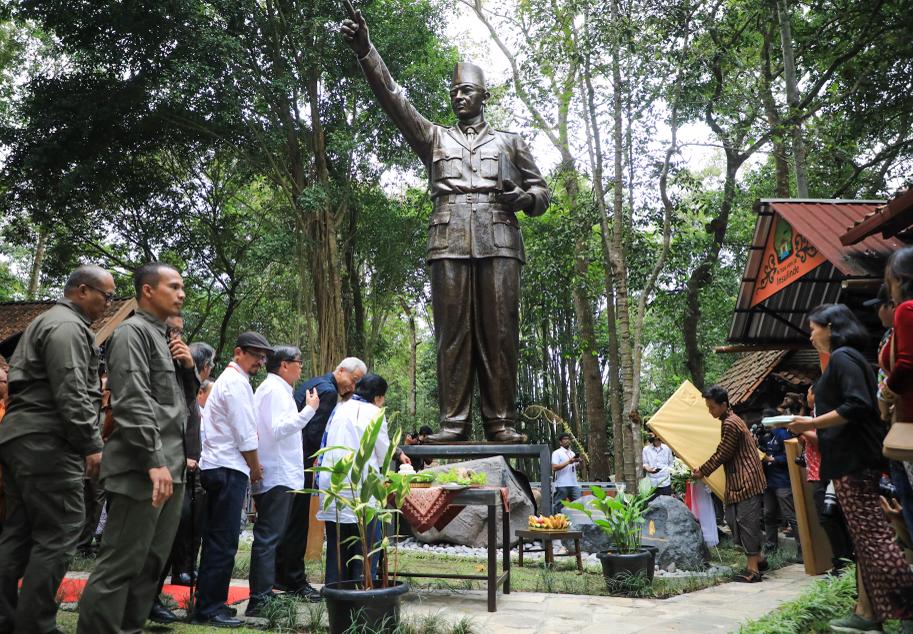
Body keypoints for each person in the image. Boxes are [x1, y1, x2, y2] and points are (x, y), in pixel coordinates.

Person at [341, 4, 550, 443]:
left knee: (499, 335)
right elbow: (395, 101)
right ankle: (453, 423)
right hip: (449, 237)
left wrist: (524, 197)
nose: (459, 96)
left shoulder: (510, 142)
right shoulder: (434, 136)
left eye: (467, 90)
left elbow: (542, 194)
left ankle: (500, 422)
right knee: (452, 335)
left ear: (484, 96)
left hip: (499, 238)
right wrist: (367, 52)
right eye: (454, 91)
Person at [77, 263, 199, 634]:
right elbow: (131, 401)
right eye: (173, 287)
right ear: (148, 291)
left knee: (152, 562)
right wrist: (153, 460)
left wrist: (188, 368)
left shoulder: (165, 339)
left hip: (171, 468)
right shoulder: (132, 334)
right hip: (143, 469)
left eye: (182, 287)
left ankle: (127, 627)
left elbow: (179, 406)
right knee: (123, 562)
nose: (181, 294)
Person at [0, 265, 113, 634]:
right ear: (82, 290)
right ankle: (35, 625)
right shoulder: (66, 327)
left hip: (26, 437)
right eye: (105, 295)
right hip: (48, 439)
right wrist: (91, 445)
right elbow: (72, 390)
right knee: (60, 532)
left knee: (19, 531)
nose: (108, 303)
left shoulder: (49, 322)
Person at [788, 303, 913, 632]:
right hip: (848, 460)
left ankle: (906, 605)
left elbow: (857, 404)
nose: (811, 334)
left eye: (813, 327)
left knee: (873, 537)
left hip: (856, 461)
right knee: (863, 539)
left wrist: (812, 421)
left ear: (830, 326)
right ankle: (867, 612)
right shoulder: (848, 358)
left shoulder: (843, 357)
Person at [193, 331, 273, 627]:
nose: (260, 362)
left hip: (220, 465)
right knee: (222, 541)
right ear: (239, 352)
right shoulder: (236, 383)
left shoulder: (233, 381)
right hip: (227, 468)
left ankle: (210, 602)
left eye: (263, 357)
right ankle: (208, 608)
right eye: (256, 356)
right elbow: (245, 435)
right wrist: (255, 468)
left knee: (218, 538)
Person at [275, 357, 367, 599]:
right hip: (301, 465)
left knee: (288, 523)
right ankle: (294, 581)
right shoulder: (327, 392)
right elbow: (315, 435)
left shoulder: (316, 383)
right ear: (340, 370)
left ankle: (282, 576)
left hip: (290, 462)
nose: (353, 387)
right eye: (353, 380)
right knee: (297, 525)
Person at [246, 347, 320, 616]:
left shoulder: (278, 389)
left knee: (271, 537)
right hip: (276, 475)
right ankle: (260, 599)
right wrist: (309, 411)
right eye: (299, 363)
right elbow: (278, 429)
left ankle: (264, 593)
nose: (301, 368)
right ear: (285, 365)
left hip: (280, 474)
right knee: (268, 538)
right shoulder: (274, 390)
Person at [149, 336, 215, 624]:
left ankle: (154, 595)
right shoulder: (177, 392)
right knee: (164, 537)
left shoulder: (190, 390)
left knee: (181, 529)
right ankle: (148, 597)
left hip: (186, 470)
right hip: (172, 467)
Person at [317, 373, 390, 585]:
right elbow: (383, 453)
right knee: (366, 546)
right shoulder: (375, 413)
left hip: (332, 486)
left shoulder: (339, 408)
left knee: (337, 545)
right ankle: (361, 591)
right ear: (377, 397)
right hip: (361, 488)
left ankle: (335, 592)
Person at [693, 385, 767, 583]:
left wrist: (703, 470)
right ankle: (758, 559)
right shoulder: (729, 420)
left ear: (724, 404)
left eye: (712, 408)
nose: (710, 412)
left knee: (746, 522)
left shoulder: (731, 423)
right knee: (733, 519)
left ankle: (753, 570)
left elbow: (723, 452)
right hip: (738, 480)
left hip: (747, 480)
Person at [796, 386, 854, 573]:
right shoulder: (814, 413)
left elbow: (823, 441)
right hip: (816, 473)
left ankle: (843, 563)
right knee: (828, 519)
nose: (806, 396)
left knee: (830, 518)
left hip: (825, 473)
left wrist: (802, 430)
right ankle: (842, 560)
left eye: (809, 392)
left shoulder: (825, 413)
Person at [877, 257, 913, 542]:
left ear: (901, 279)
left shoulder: (907, 310)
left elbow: (906, 364)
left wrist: (884, 393)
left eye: (890, 281)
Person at [760, 406, 799, 558]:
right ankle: (771, 546)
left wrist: (773, 459)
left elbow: (791, 455)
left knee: (790, 515)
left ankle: (802, 549)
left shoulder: (784, 434)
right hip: (769, 481)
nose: (763, 423)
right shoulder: (766, 437)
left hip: (782, 481)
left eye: (766, 420)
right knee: (768, 514)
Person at [552, 433, 582, 510]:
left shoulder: (572, 453)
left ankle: (576, 521)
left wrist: (579, 463)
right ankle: (555, 521)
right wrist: (569, 462)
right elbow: (554, 467)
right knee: (558, 506)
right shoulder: (556, 453)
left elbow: (573, 467)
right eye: (565, 439)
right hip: (562, 484)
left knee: (579, 505)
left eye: (568, 439)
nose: (567, 440)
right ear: (560, 442)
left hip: (574, 484)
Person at [642, 433, 674, 497]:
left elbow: (671, 464)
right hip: (651, 483)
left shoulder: (667, 448)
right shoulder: (646, 449)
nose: (656, 440)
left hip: (665, 482)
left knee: (666, 504)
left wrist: (668, 473)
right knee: (651, 504)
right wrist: (648, 469)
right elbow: (645, 463)